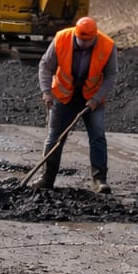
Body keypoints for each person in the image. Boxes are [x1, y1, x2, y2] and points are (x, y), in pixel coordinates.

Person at [36, 16, 118, 193]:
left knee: (97, 136)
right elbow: (45, 66)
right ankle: (46, 178)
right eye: (81, 40)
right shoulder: (61, 39)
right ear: (76, 34)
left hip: (92, 98)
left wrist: (97, 99)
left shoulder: (107, 45)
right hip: (64, 96)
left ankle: (99, 180)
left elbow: (111, 75)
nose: (84, 44)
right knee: (54, 137)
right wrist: (46, 91)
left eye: (88, 41)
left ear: (95, 36)